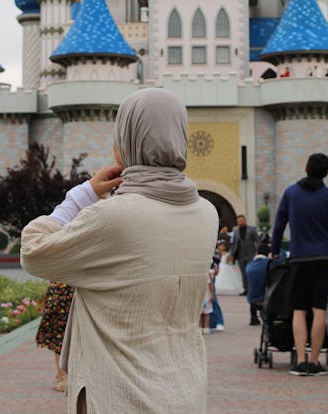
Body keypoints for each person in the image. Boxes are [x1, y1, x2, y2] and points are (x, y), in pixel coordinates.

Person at [21, 88, 218, 414]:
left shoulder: (115, 215)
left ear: (129, 139)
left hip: (119, 394)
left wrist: (81, 196)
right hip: (184, 390)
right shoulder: (206, 213)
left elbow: (33, 251)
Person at [271, 152, 328, 376]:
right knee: (319, 309)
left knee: (299, 310)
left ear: (305, 168)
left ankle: (300, 360)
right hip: (324, 259)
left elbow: (279, 223)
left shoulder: (291, 193)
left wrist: (273, 250)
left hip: (299, 258)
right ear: (326, 172)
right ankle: (314, 361)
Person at [36, 282, 75, 392]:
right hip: (60, 291)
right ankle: (62, 375)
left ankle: (69, 374)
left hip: (78, 287)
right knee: (58, 333)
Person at [229, 215, 258, 295]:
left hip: (250, 254)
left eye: (242, 221)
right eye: (239, 221)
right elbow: (233, 243)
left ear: (245, 220)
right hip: (240, 255)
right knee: (243, 273)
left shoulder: (252, 229)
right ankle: (246, 289)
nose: (241, 222)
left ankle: (252, 289)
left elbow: (257, 240)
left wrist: (257, 251)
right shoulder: (235, 230)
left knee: (250, 272)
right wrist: (231, 254)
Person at [245, 244, 270, 325]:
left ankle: (253, 317)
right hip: (265, 296)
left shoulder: (249, 265)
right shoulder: (268, 263)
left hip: (252, 296)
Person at [200, 269, 215, 334]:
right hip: (203, 297)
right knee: (203, 313)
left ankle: (203, 328)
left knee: (204, 313)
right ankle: (203, 328)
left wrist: (212, 295)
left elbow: (210, 285)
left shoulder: (205, 274)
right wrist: (212, 294)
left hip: (205, 297)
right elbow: (210, 285)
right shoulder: (206, 274)